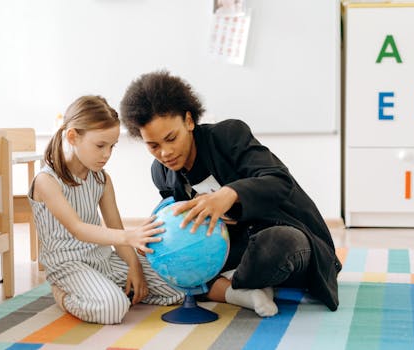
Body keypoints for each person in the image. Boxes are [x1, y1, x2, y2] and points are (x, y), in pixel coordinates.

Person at [120, 71, 342, 316]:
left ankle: (224, 284)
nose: (165, 153)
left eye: (171, 138)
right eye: (153, 145)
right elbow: (181, 223)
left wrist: (228, 195)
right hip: (235, 247)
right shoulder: (161, 173)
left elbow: (279, 181)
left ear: (189, 121)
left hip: (283, 237)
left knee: (277, 244)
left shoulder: (228, 136)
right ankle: (242, 285)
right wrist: (154, 238)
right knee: (156, 264)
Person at [28, 95, 184, 324]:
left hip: (103, 259)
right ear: (73, 137)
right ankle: (63, 295)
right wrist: (130, 236)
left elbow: (114, 227)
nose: (107, 154)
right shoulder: (46, 181)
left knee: (177, 288)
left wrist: (133, 266)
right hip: (69, 266)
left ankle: (104, 288)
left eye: (112, 146)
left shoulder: (101, 179)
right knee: (113, 309)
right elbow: (78, 229)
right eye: (100, 145)